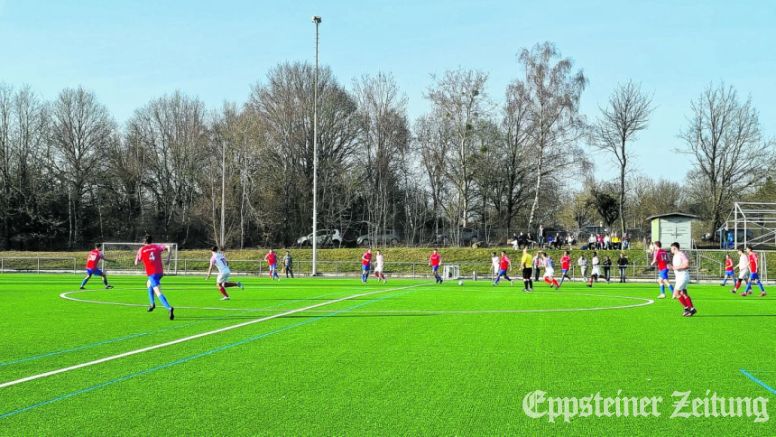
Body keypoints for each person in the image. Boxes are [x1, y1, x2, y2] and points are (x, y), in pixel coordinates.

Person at [134, 235, 174, 320]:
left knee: (158, 292)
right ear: (151, 241)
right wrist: (168, 259)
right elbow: (169, 247)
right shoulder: (156, 246)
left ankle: (169, 308)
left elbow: (136, 263)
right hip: (159, 272)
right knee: (149, 284)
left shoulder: (142, 249)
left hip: (152, 273)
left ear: (144, 242)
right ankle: (152, 304)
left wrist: (137, 255)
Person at [669, 242, 696, 317]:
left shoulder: (681, 254)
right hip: (680, 277)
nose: (671, 250)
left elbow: (686, 265)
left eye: (671, 248)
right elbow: (677, 267)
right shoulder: (675, 256)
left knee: (676, 293)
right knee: (684, 293)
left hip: (683, 276)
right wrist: (671, 267)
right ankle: (691, 309)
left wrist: (676, 268)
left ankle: (687, 308)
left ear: (674, 248)